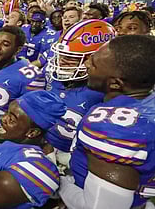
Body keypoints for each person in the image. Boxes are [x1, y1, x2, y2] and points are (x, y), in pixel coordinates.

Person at [60, 35, 155, 209]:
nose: (87, 64)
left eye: (94, 63)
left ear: (116, 83)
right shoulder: (148, 103)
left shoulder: (113, 127)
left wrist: (59, 183)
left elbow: (99, 207)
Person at [44, 20, 114, 166]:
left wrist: (70, 160)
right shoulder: (53, 76)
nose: (61, 61)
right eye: (61, 55)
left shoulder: (107, 93)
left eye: (71, 57)